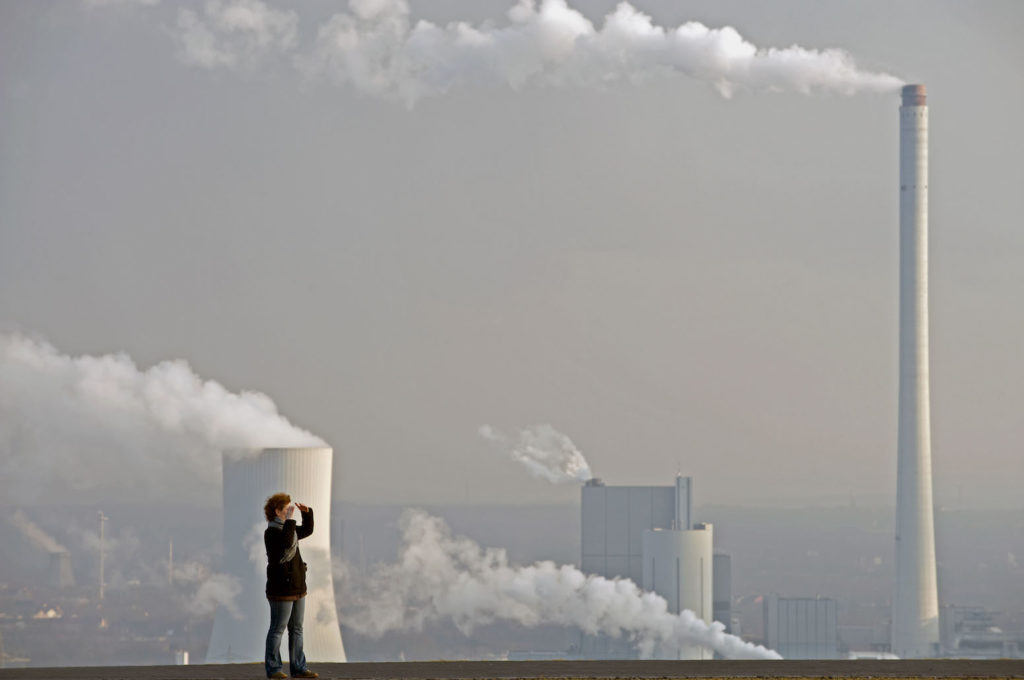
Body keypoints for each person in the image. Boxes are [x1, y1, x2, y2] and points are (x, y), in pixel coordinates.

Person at [263, 493, 318, 679]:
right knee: (278, 628)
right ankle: (274, 669)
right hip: (281, 590)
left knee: (297, 629)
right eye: (286, 509)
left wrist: (307, 513)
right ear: (277, 511)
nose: (289, 511)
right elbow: (286, 543)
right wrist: (290, 520)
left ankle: (299, 668)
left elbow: (308, 530)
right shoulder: (271, 533)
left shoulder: (289, 529)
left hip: (297, 587)